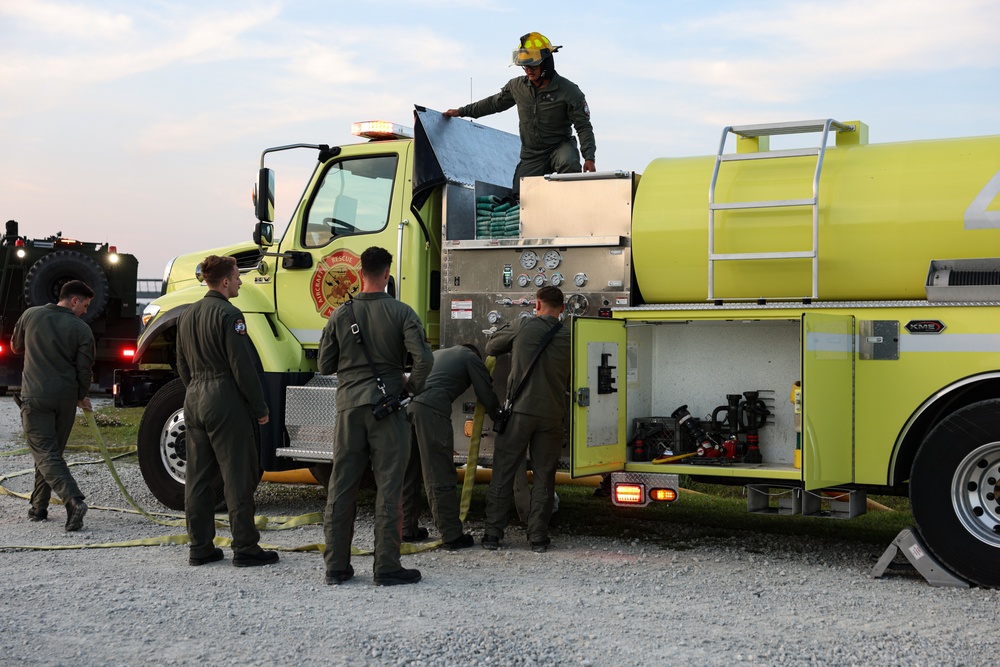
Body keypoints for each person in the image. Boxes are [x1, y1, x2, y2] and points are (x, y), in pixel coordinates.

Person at [318, 246, 434, 586]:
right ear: (387, 274)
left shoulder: (341, 314)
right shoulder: (402, 312)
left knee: (341, 488)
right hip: (387, 409)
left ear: (359, 274)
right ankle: (386, 566)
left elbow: (325, 365)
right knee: (389, 488)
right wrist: (410, 388)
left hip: (349, 409)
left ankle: (336, 566)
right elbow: (424, 362)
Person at [176, 255, 276, 568]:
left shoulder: (187, 315)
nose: (240, 282)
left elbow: (182, 364)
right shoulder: (231, 315)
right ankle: (245, 547)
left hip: (194, 398)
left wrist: (195, 390)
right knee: (237, 475)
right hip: (224, 400)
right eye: (236, 277)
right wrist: (259, 407)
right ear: (224, 282)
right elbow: (242, 367)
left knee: (198, 478)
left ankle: (199, 546)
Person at [444, 31, 596, 196]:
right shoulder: (517, 87)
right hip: (532, 154)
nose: (528, 71)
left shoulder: (570, 92)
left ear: (546, 63)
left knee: (569, 163)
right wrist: (462, 111)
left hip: (559, 147)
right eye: (525, 66)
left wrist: (589, 158)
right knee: (519, 197)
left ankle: (569, 207)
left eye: (533, 66)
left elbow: (583, 127)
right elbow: (493, 104)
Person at [482, 286, 570, 553]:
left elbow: (491, 347)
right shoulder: (570, 334)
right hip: (553, 415)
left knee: (503, 473)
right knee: (545, 477)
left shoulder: (523, 325)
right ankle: (538, 538)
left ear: (537, 304)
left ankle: (493, 535)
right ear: (563, 309)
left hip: (520, 412)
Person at [12, 279, 96, 531]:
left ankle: (73, 499)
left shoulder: (30, 315)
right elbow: (85, 370)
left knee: (45, 454)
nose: (86, 310)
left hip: (35, 397)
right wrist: (81, 396)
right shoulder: (82, 330)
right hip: (66, 400)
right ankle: (39, 507)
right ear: (73, 300)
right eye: (85, 305)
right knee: (51, 455)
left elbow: (16, 347)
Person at [401, 344, 500, 549]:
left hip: (407, 407)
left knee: (409, 472)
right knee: (439, 472)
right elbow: (484, 392)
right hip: (431, 411)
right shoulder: (469, 357)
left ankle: (406, 529)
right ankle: (451, 535)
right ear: (475, 353)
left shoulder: (438, 354)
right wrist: (499, 416)